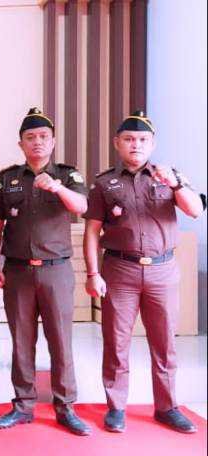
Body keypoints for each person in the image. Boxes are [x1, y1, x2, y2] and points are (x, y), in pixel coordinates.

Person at [83, 111, 205, 434]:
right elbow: (92, 231)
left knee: (164, 344)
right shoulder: (104, 183)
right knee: (116, 342)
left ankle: (167, 407)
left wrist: (175, 184)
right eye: (129, 139)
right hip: (119, 269)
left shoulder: (169, 176)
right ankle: (116, 407)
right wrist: (93, 273)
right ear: (117, 143)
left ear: (152, 144)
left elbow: (195, 209)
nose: (135, 144)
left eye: (142, 140)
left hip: (162, 270)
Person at [0, 108, 91, 436]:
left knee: (60, 341)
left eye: (44, 136)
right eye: (30, 137)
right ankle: (23, 405)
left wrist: (57, 188)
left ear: (53, 141)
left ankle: (66, 407)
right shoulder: (8, 178)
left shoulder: (68, 175)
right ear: (21, 144)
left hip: (56, 271)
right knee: (21, 341)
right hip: (17, 272)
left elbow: (82, 207)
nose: (37, 142)